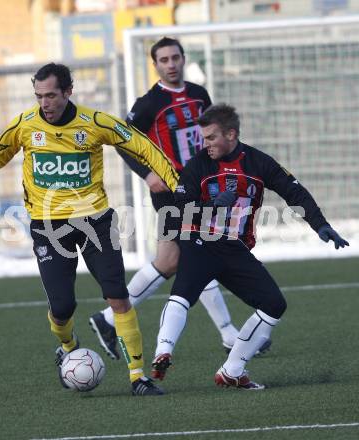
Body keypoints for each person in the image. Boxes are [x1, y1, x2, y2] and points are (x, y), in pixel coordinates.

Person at [0, 62, 180, 396]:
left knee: (118, 295)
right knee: (61, 308)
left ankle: (137, 376)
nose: (45, 103)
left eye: (51, 95)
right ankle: (68, 344)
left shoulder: (95, 122)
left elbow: (141, 145)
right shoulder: (26, 125)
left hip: (96, 223)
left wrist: (176, 183)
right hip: (49, 228)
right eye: (39, 96)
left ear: (68, 92)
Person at [150, 103, 349, 389]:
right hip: (199, 240)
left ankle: (232, 369)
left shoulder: (258, 162)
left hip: (234, 248)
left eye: (211, 137)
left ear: (231, 134)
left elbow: (294, 191)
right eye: (203, 138)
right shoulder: (198, 164)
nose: (205, 144)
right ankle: (163, 351)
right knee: (183, 292)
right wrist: (210, 205)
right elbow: (179, 208)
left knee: (274, 304)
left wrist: (320, 225)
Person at [89, 37, 251, 361]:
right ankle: (229, 333)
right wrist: (147, 174)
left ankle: (107, 320)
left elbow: (211, 135)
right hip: (171, 190)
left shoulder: (198, 94)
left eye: (175, 57)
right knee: (197, 253)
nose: (171, 64)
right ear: (156, 65)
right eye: (163, 60)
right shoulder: (148, 103)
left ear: (183, 58)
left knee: (173, 261)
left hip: (199, 187)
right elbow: (124, 142)